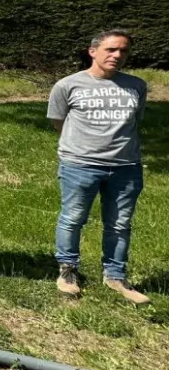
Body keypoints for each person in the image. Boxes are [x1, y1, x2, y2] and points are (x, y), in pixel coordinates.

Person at [47, 30, 149, 305]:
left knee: (119, 224)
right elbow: (59, 121)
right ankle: (67, 271)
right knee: (73, 218)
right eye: (111, 49)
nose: (117, 55)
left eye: (123, 51)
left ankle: (115, 275)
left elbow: (133, 122)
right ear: (93, 51)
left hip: (126, 167)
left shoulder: (136, 86)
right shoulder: (68, 85)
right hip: (80, 165)